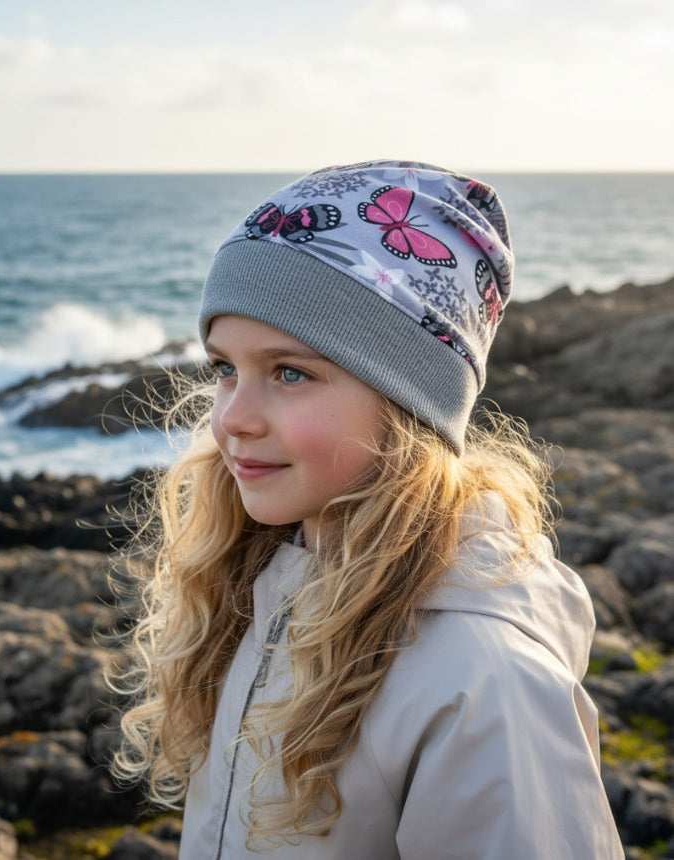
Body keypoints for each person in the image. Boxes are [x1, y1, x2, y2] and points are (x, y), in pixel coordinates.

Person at [112, 160, 624, 858]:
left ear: (409, 402)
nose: (232, 418)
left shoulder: (483, 681)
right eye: (225, 368)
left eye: (290, 373)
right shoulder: (258, 589)